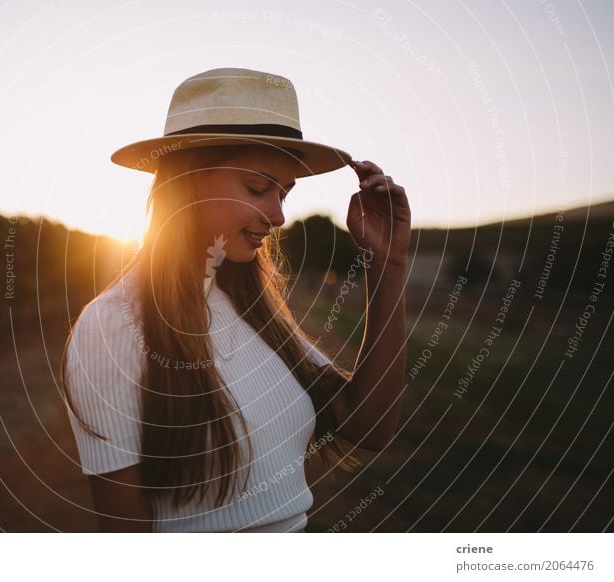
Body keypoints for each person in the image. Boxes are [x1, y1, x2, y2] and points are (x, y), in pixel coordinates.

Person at [61, 67, 411, 532]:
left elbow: (368, 427)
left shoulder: (252, 308)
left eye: (284, 193)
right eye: (258, 188)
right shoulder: (113, 326)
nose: (279, 215)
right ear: (187, 181)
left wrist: (388, 266)